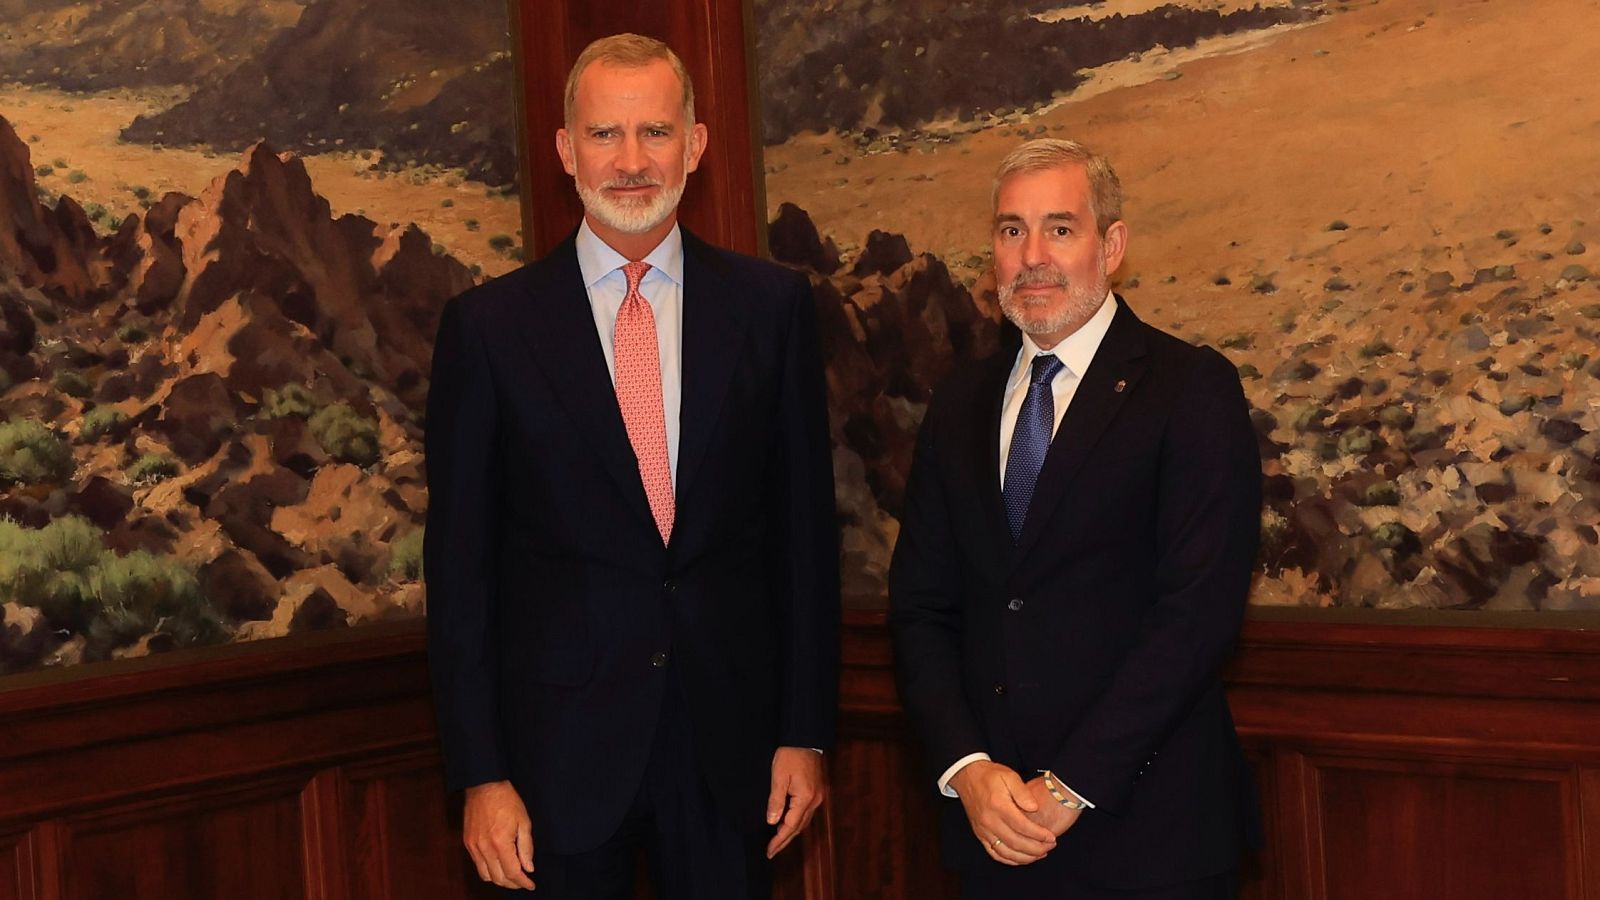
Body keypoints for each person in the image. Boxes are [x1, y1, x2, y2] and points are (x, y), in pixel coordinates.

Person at [423, 33, 839, 899]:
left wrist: (806, 730)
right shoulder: (489, 331)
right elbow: (460, 572)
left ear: (695, 145)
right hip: (553, 764)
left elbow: (805, 539)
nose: (631, 161)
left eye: (655, 132)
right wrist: (481, 774)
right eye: (605, 135)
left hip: (734, 754)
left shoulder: (772, 310)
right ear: (567, 151)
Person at [888, 138, 1262, 899]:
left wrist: (1070, 787)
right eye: (1010, 230)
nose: (1033, 257)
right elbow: (921, 609)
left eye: (1059, 229)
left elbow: (1196, 616)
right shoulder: (959, 404)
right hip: (994, 837)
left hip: (1152, 841)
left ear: (1112, 244)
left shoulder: (1189, 389)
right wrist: (969, 771)